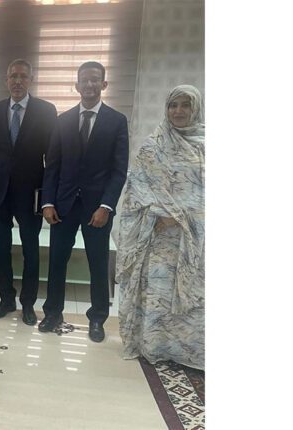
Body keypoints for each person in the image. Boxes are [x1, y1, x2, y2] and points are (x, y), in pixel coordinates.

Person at [38, 61, 129, 342]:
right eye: (84, 80)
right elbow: (52, 165)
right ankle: (53, 312)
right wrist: (47, 202)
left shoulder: (116, 121)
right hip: (63, 206)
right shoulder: (63, 120)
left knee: (98, 264)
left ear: (103, 84)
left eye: (95, 80)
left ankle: (98, 318)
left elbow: (119, 170)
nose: (89, 85)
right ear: (76, 85)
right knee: (57, 262)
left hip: (97, 209)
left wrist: (106, 206)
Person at [116, 85, 205, 370]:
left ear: (196, 108)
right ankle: (155, 346)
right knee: (158, 292)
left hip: (192, 238)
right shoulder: (152, 145)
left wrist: (182, 216)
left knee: (190, 294)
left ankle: (187, 351)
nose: (178, 111)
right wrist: (159, 215)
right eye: (173, 105)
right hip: (157, 235)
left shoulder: (205, 145)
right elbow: (136, 189)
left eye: (185, 105)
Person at [0, 59, 57, 326]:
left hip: (31, 194)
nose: (18, 81)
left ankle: (28, 304)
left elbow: (52, 157)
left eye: (23, 76)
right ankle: (6, 299)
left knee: (30, 251)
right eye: (13, 76)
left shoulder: (46, 111)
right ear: (6, 80)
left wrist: (48, 197)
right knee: (0, 250)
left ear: (31, 80)